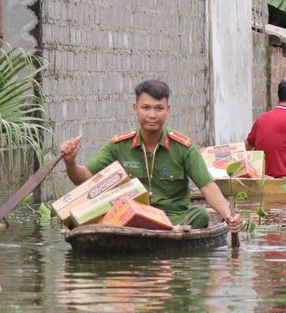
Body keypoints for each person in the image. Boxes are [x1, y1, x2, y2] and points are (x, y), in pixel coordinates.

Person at [58, 79, 243, 232]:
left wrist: (228, 215)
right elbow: (83, 179)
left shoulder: (184, 148)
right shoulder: (118, 145)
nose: (152, 115)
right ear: (135, 109)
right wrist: (70, 162)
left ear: (168, 110)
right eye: (146, 108)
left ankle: (170, 232)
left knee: (200, 215)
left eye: (158, 108)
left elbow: (208, 187)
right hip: (130, 219)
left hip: (173, 219)